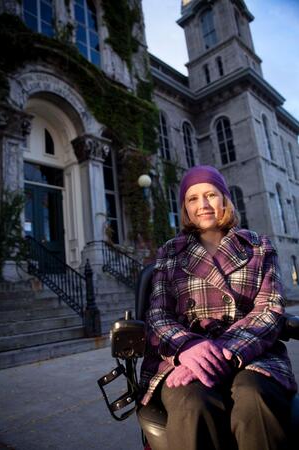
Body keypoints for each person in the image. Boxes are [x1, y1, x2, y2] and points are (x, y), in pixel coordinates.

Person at [139, 165, 297, 450]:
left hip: (251, 354)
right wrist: (186, 347)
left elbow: (269, 309)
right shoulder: (170, 252)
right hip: (185, 359)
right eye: (193, 198)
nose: (203, 205)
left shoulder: (259, 247)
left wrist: (224, 351)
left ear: (225, 199)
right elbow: (158, 315)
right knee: (192, 403)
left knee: (254, 399)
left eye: (211, 195)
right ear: (185, 208)